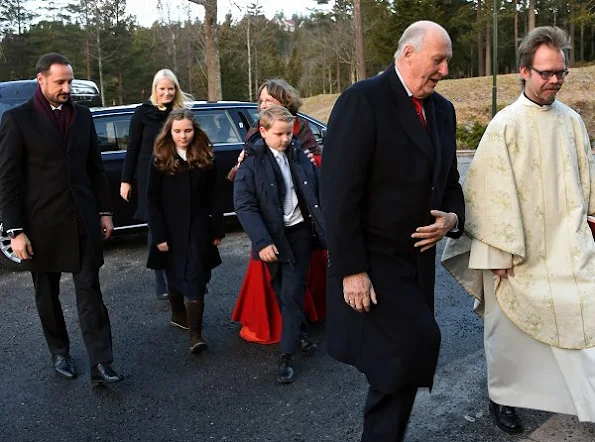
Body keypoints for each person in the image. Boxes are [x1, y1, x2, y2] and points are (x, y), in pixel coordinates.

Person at [442, 26, 595, 434]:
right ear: (523, 72)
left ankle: (587, 401)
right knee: (509, 333)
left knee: (583, 320)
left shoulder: (573, 122)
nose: (554, 80)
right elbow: (487, 197)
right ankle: (504, 398)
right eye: (546, 73)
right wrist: (495, 255)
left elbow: (587, 182)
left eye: (560, 72)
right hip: (516, 253)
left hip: (567, 247)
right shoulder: (505, 126)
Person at [320, 21, 465, 441]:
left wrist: (453, 219)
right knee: (408, 351)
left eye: (447, 62)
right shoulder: (363, 101)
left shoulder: (442, 110)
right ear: (407, 54)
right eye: (438, 60)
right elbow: (338, 192)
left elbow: (450, 182)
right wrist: (350, 270)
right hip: (374, 261)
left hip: (417, 265)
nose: (444, 71)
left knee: (397, 367)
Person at [0, 53, 123, 386]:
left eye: (70, 81)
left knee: (90, 290)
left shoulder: (82, 117)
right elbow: (8, 180)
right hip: (40, 226)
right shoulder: (17, 120)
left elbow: (95, 169)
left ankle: (102, 361)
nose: (67, 88)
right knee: (47, 295)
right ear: (41, 79)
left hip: (82, 220)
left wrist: (105, 211)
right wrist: (15, 230)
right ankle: (60, 352)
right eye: (60, 82)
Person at [234, 105, 326, 383]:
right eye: (279, 134)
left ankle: (286, 357)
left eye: (289, 133)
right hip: (272, 239)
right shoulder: (252, 162)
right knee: (280, 290)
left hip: (299, 234)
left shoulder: (298, 154)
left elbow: (317, 189)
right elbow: (244, 205)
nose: (285, 139)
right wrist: (261, 241)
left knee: (292, 291)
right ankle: (302, 335)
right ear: (262, 131)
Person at [146, 109, 224, 354]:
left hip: (199, 228)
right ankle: (178, 312)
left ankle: (196, 335)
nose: (183, 136)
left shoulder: (204, 156)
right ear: (169, 131)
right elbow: (152, 199)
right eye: (177, 131)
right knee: (175, 273)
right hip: (170, 229)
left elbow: (215, 195)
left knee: (195, 277)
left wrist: (217, 227)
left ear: (195, 130)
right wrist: (158, 235)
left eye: (187, 130)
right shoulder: (160, 158)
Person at [120, 69, 191, 304]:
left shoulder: (182, 114)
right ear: (155, 89)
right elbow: (132, 148)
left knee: (177, 224)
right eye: (162, 88)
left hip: (177, 174)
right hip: (148, 174)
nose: (167, 93)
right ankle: (161, 280)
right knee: (155, 225)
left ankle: (180, 274)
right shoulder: (142, 113)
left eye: (171, 88)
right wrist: (126, 180)